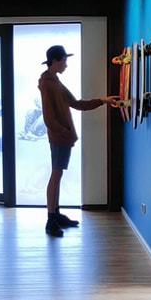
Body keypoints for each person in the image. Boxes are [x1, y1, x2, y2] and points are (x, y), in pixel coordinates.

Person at [38, 45, 117, 238]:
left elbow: (77, 104)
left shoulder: (55, 82)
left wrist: (102, 100)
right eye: (64, 60)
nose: (66, 64)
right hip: (60, 138)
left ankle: (55, 214)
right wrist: (63, 133)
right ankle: (51, 220)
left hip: (62, 137)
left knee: (58, 175)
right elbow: (48, 117)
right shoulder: (47, 83)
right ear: (55, 61)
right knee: (56, 175)